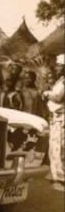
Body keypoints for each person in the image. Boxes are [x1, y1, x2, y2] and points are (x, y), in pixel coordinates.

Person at [42, 54, 64, 192]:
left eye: (60, 66)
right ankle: (56, 174)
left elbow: (58, 97)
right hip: (55, 118)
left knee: (60, 147)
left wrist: (46, 93)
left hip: (62, 118)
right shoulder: (59, 81)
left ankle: (60, 178)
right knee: (54, 147)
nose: (57, 68)